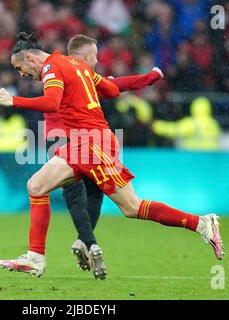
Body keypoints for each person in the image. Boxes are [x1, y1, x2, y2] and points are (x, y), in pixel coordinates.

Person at [0, 32, 224, 278]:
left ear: (29, 58)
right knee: (36, 185)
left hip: (93, 144)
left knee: (132, 207)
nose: (21, 74)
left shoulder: (52, 68)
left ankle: (201, 224)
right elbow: (112, 89)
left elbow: (52, 103)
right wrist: (148, 78)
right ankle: (35, 257)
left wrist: (14, 101)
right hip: (80, 143)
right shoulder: (76, 65)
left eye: (20, 68)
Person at [52, 34, 163, 279]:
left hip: (65, 142)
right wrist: (151, 77)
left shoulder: (69, 75)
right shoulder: (78, 77)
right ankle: (86, 243)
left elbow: (115, 85)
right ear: (82, 56)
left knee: (77, 195)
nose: (98, 58)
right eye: (94, 54)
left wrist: (150, 77)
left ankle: (86, 242)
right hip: (76, 143)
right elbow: (116, 85)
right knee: (91, 193)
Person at [152, 96, 222, 151]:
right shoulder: (214, 124)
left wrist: (157, 126)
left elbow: (174, 130)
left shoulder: (192, 123)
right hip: (211, 159)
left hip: (193, 157)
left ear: (193, 108)